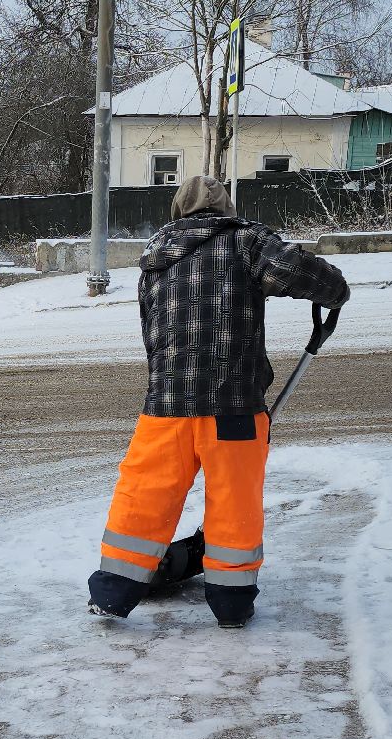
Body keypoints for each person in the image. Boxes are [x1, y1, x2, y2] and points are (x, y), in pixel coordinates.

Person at [88, 176, 350, 629]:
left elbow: (152, 331)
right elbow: (298, 271)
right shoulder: (246, 241)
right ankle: (231, 604)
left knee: (144, 495)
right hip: (234, 408)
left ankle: (113, 592)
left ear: (177, 212)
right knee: (234, 501)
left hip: (165, 404)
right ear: (226, 210)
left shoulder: (155, 256)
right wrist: (337, 290)